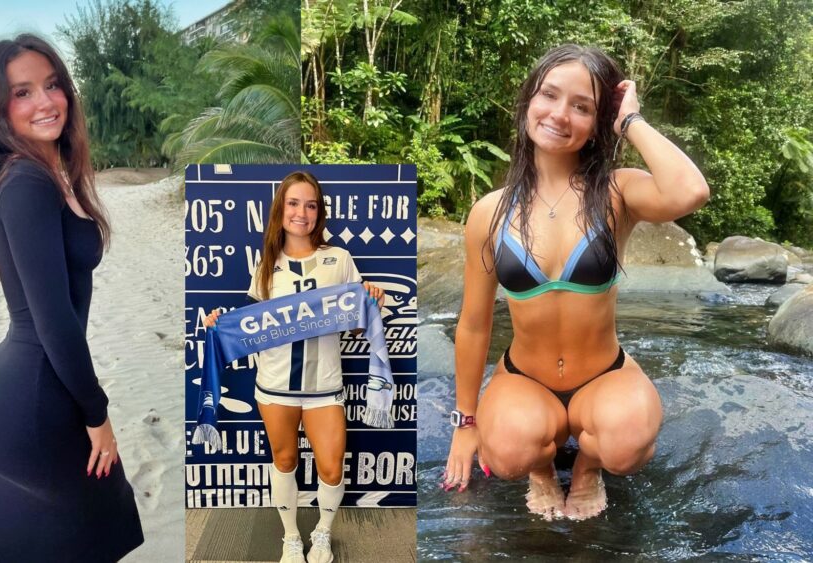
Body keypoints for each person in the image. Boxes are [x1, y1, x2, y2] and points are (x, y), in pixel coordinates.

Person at [443, 44, 709, 521]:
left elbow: (690, 191)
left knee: (627, 446)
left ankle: (587, 468)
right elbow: (473, 325)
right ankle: (542, 470)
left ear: (597, 121)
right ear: (529, 100)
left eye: (582, 106)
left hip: (602, 376)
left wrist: (630, 121)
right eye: (549, 95)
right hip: (525, 380)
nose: (560, 115)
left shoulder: (618, 193)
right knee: (505, 454)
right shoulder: (489, 213)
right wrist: (465, 422)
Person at [0, 33, 143, 561]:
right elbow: (55, 322)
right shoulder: (26, 183)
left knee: (20, 543)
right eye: (23, 93)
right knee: (96, 531)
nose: (46, 102)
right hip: (34, 395)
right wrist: (97, 415)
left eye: (52, 85)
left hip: (14, 387)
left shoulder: (46, 173)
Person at [203, 172, 385, 563]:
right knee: (284, 461)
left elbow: (354, 322)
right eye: (293, 203)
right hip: (275, 386)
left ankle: (321, 533)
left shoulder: (339, 259)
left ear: (319, 212)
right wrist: (220, 323)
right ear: (280, 210)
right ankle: (290, 537)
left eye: (310, 204)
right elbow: (253, 324)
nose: (301, 212)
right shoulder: (266, 264)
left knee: (332, 468)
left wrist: (369, 299)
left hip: (325, 388)